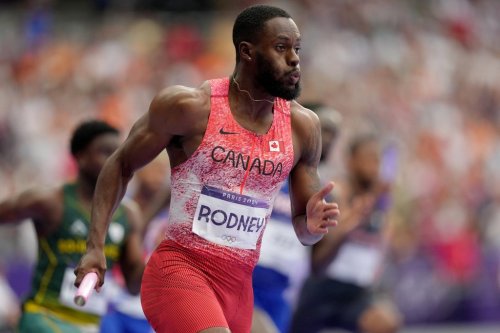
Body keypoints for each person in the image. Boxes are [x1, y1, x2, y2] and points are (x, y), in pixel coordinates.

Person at [74, 5, 340, 333]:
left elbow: (304, 229)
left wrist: (313, 228)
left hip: (239, 288)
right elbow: (120, 164)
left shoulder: (302, 127)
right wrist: (95, 246)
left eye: (297, 49)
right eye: (282, 48)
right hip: (179, 271)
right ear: (248, 52)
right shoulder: (190, 109)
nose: (295, 59)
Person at [0, 120, 144, 333]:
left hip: (91, 324)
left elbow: (133, 286)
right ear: (79, 156)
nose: (113, 161)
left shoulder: (128, 214)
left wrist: (160, 251)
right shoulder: (49, 202)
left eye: (118, 154)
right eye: (105, 152)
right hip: (44, 315)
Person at [290, 134, 402, 333]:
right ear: (351, 161)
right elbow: (317, 263)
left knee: (386, 322)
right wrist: (349, 226)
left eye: (377, 160)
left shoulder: (381, 203)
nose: (374, 166)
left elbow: (386, 249)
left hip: (358, 294)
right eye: (368, 158)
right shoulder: (335, 195)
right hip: (324, 289)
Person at [251, 105, 342, 333]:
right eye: (323, 129)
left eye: (333, 134)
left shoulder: (325, 193)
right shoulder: (266, 167)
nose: (327, 139)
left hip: (283, 291)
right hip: (247, 281)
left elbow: (317, 264)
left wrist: (345, 229)